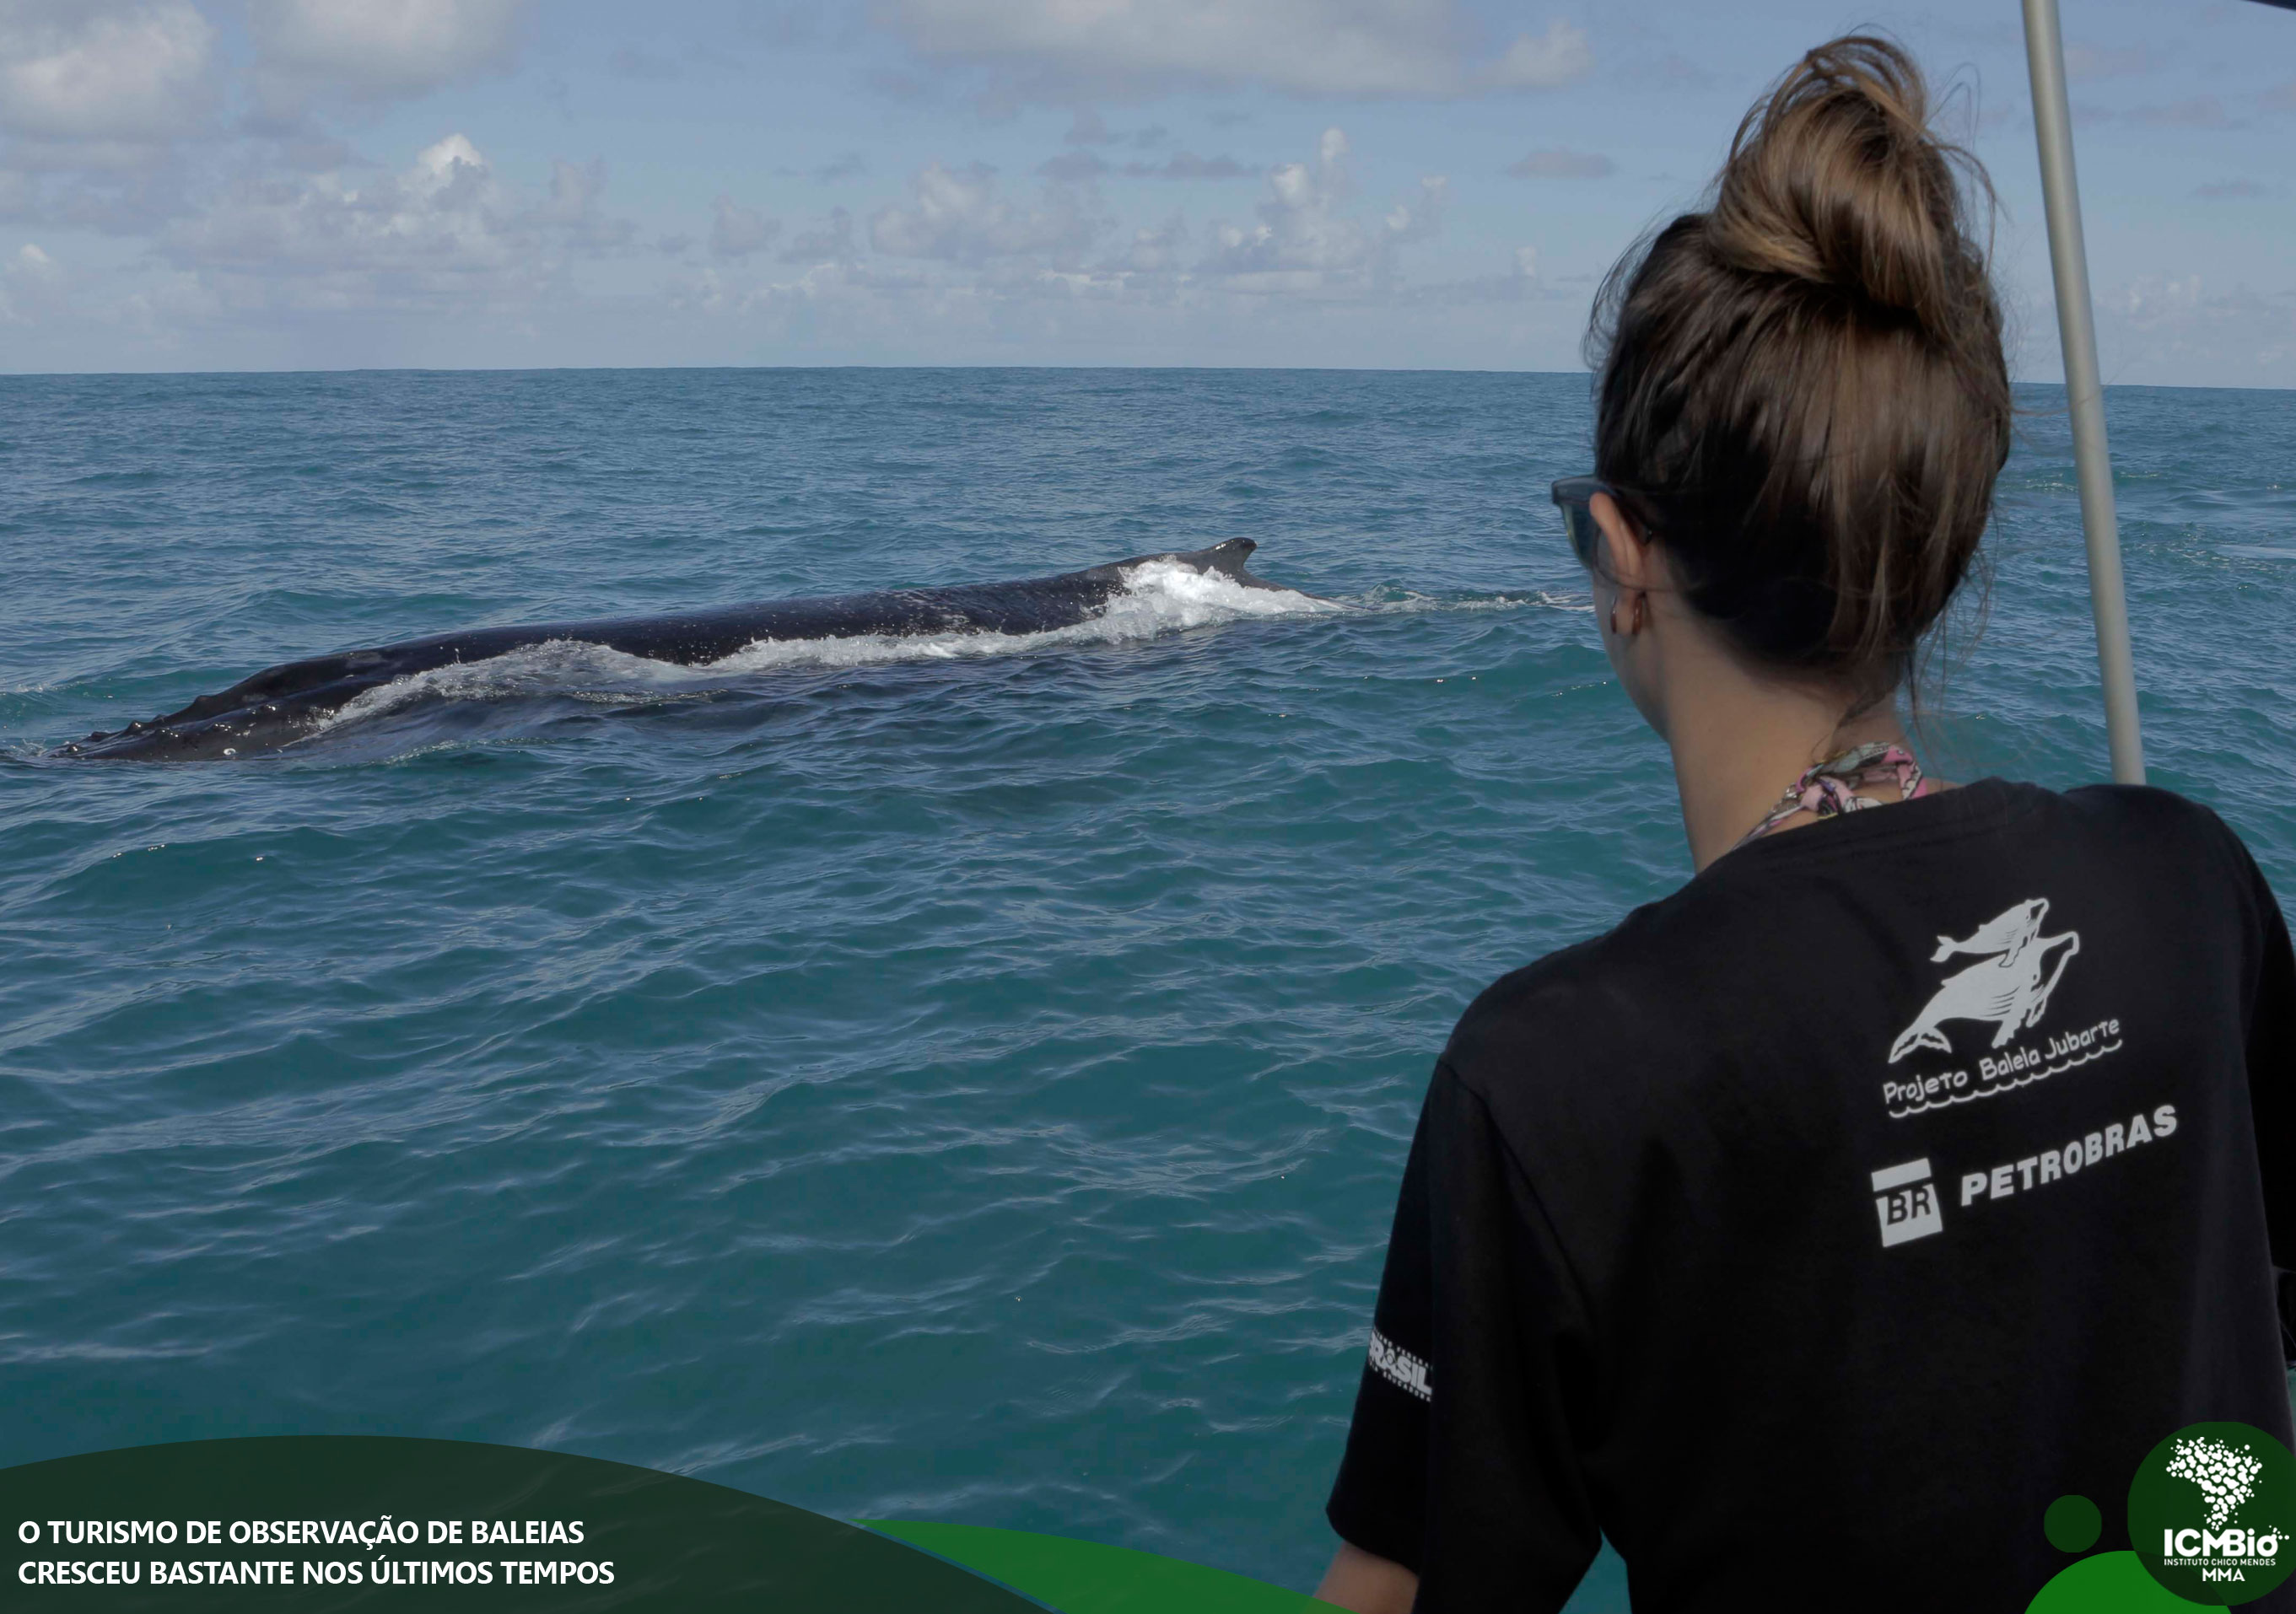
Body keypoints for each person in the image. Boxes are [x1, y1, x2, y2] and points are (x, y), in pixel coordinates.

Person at [1313, 33, 2295, 1614]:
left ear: (1623, 556)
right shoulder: (2189, 882)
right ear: (1935, 549)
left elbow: (1410, 1591)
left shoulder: (1557, 1075)